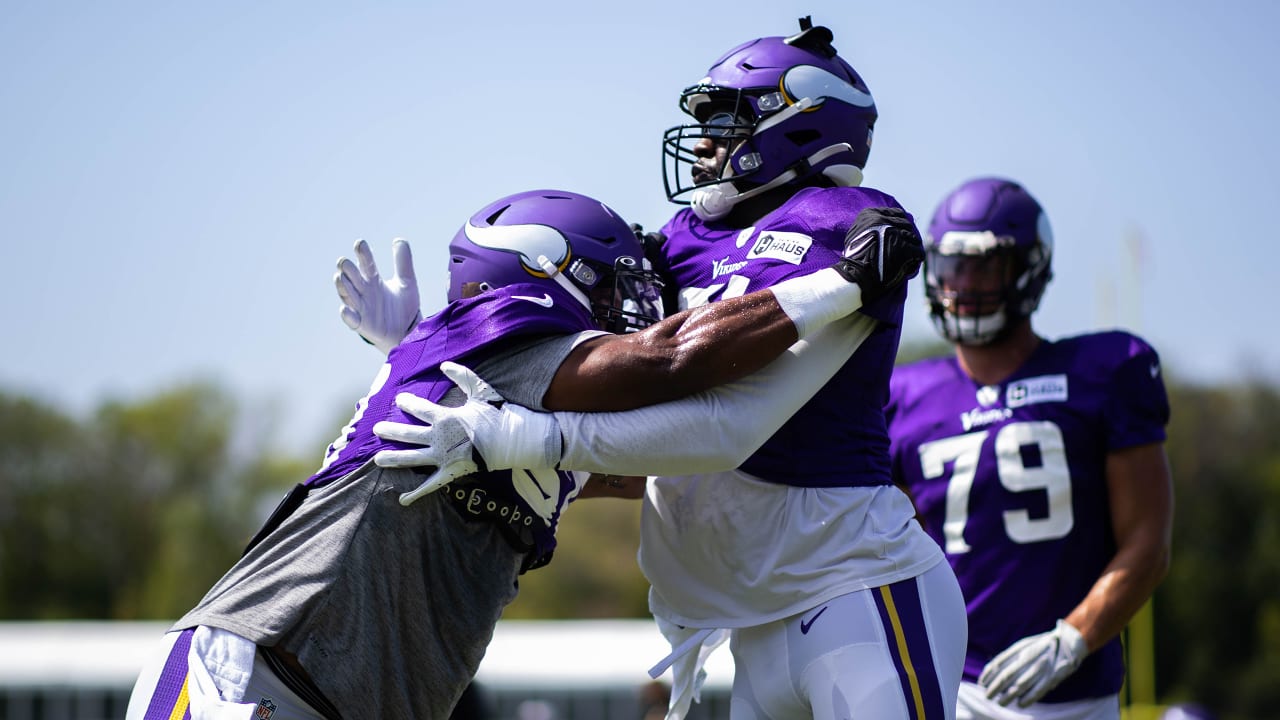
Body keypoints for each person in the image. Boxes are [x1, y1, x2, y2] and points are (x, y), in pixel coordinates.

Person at [358, 19, 968, 720]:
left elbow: (727, 431)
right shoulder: (683, 241)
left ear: (801, 124)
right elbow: (584, 365)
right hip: (750, 621)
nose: (705, 139)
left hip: (854, 586)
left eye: (727, 118)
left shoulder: (847, 221)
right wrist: (426, 345)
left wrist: (528, 437)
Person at [124, 187, 920, 720]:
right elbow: (670, 361)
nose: (634, 307)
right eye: (612, 288)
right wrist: (846, 286)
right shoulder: (502, 343)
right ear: (546, 278)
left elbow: (666, 457)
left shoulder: (499, 391)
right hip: (260, 673)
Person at [885, 177, 1174, 719]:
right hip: (948, 681)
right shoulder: (901, 396)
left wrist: (1074, 639)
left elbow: (1148, 542)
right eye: (951, 267)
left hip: (1071, 693)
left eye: (983, 267)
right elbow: (887, 550)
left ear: (1029, 270)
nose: (962, 286)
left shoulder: (1106, 371)